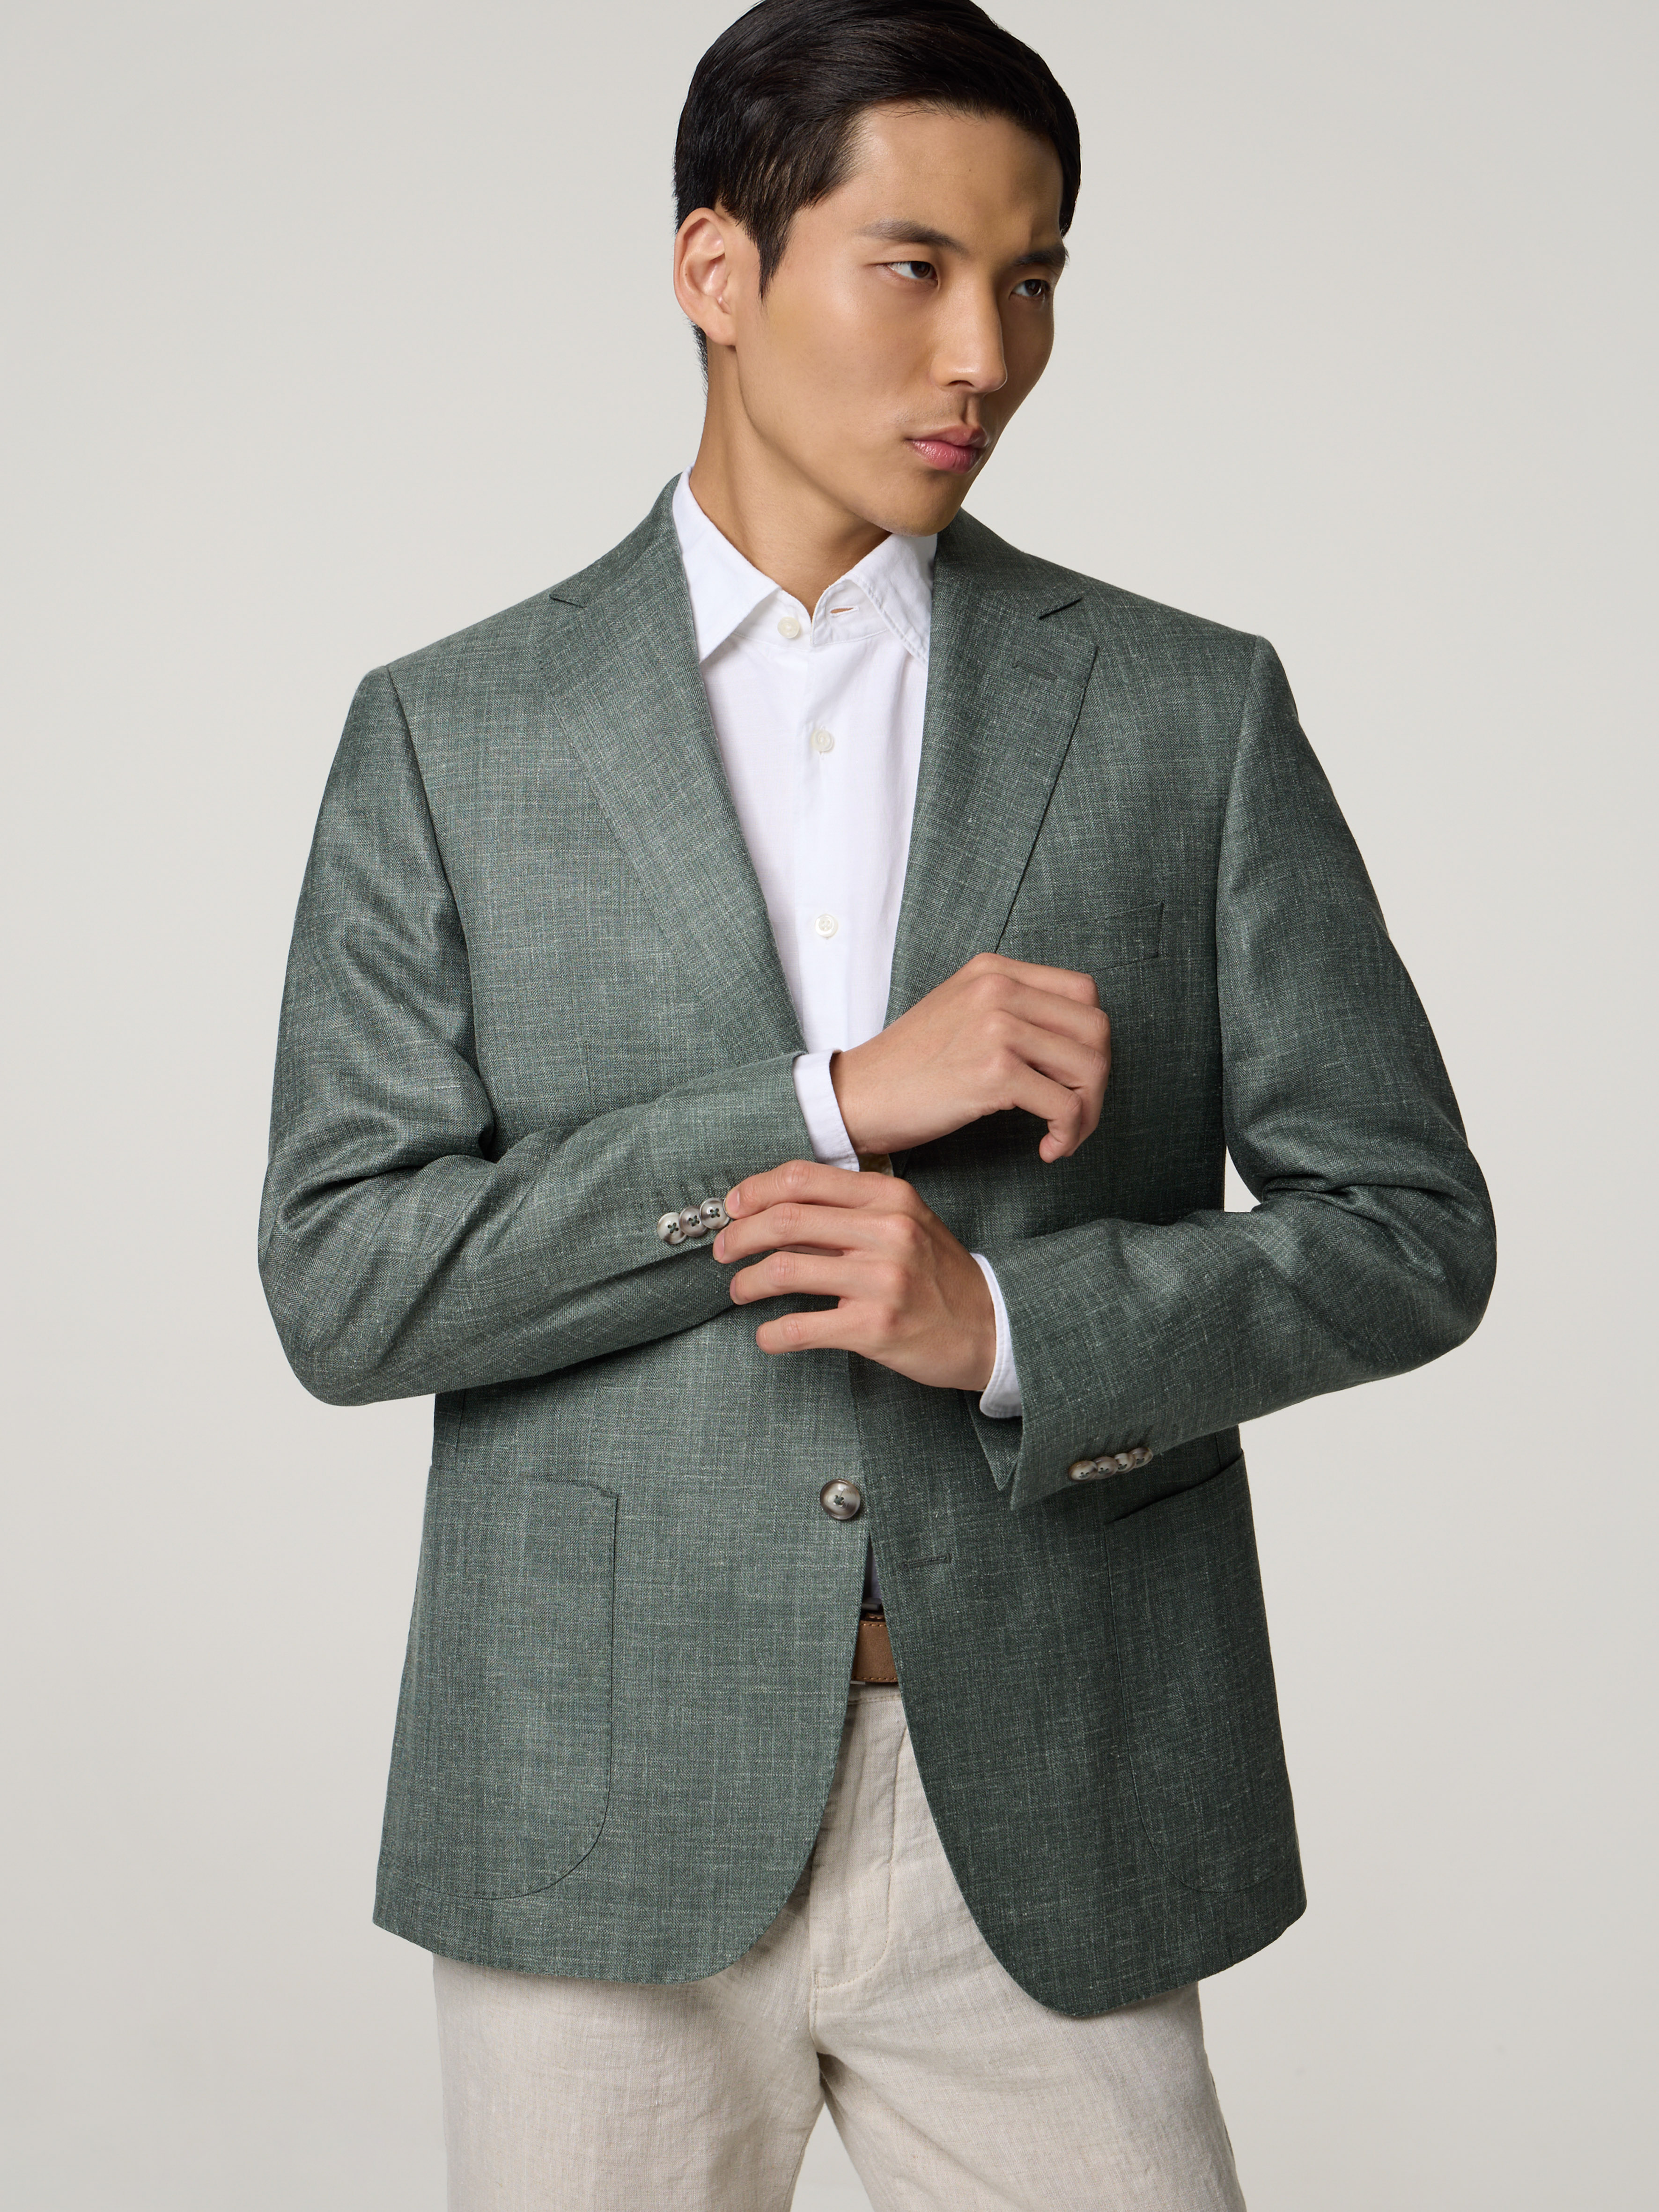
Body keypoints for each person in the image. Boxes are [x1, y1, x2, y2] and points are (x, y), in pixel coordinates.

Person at [258, 3, 1495, 2204]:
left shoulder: (1187, 711)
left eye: (1032, 281)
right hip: (594, 1788)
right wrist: (821, 1102)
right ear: (716, 271)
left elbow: (1406, 1227)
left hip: (1052, 1778)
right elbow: (348, 1284)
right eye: (913, 267)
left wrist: (1008, 1328)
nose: (984, 355)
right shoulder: (451, 735)